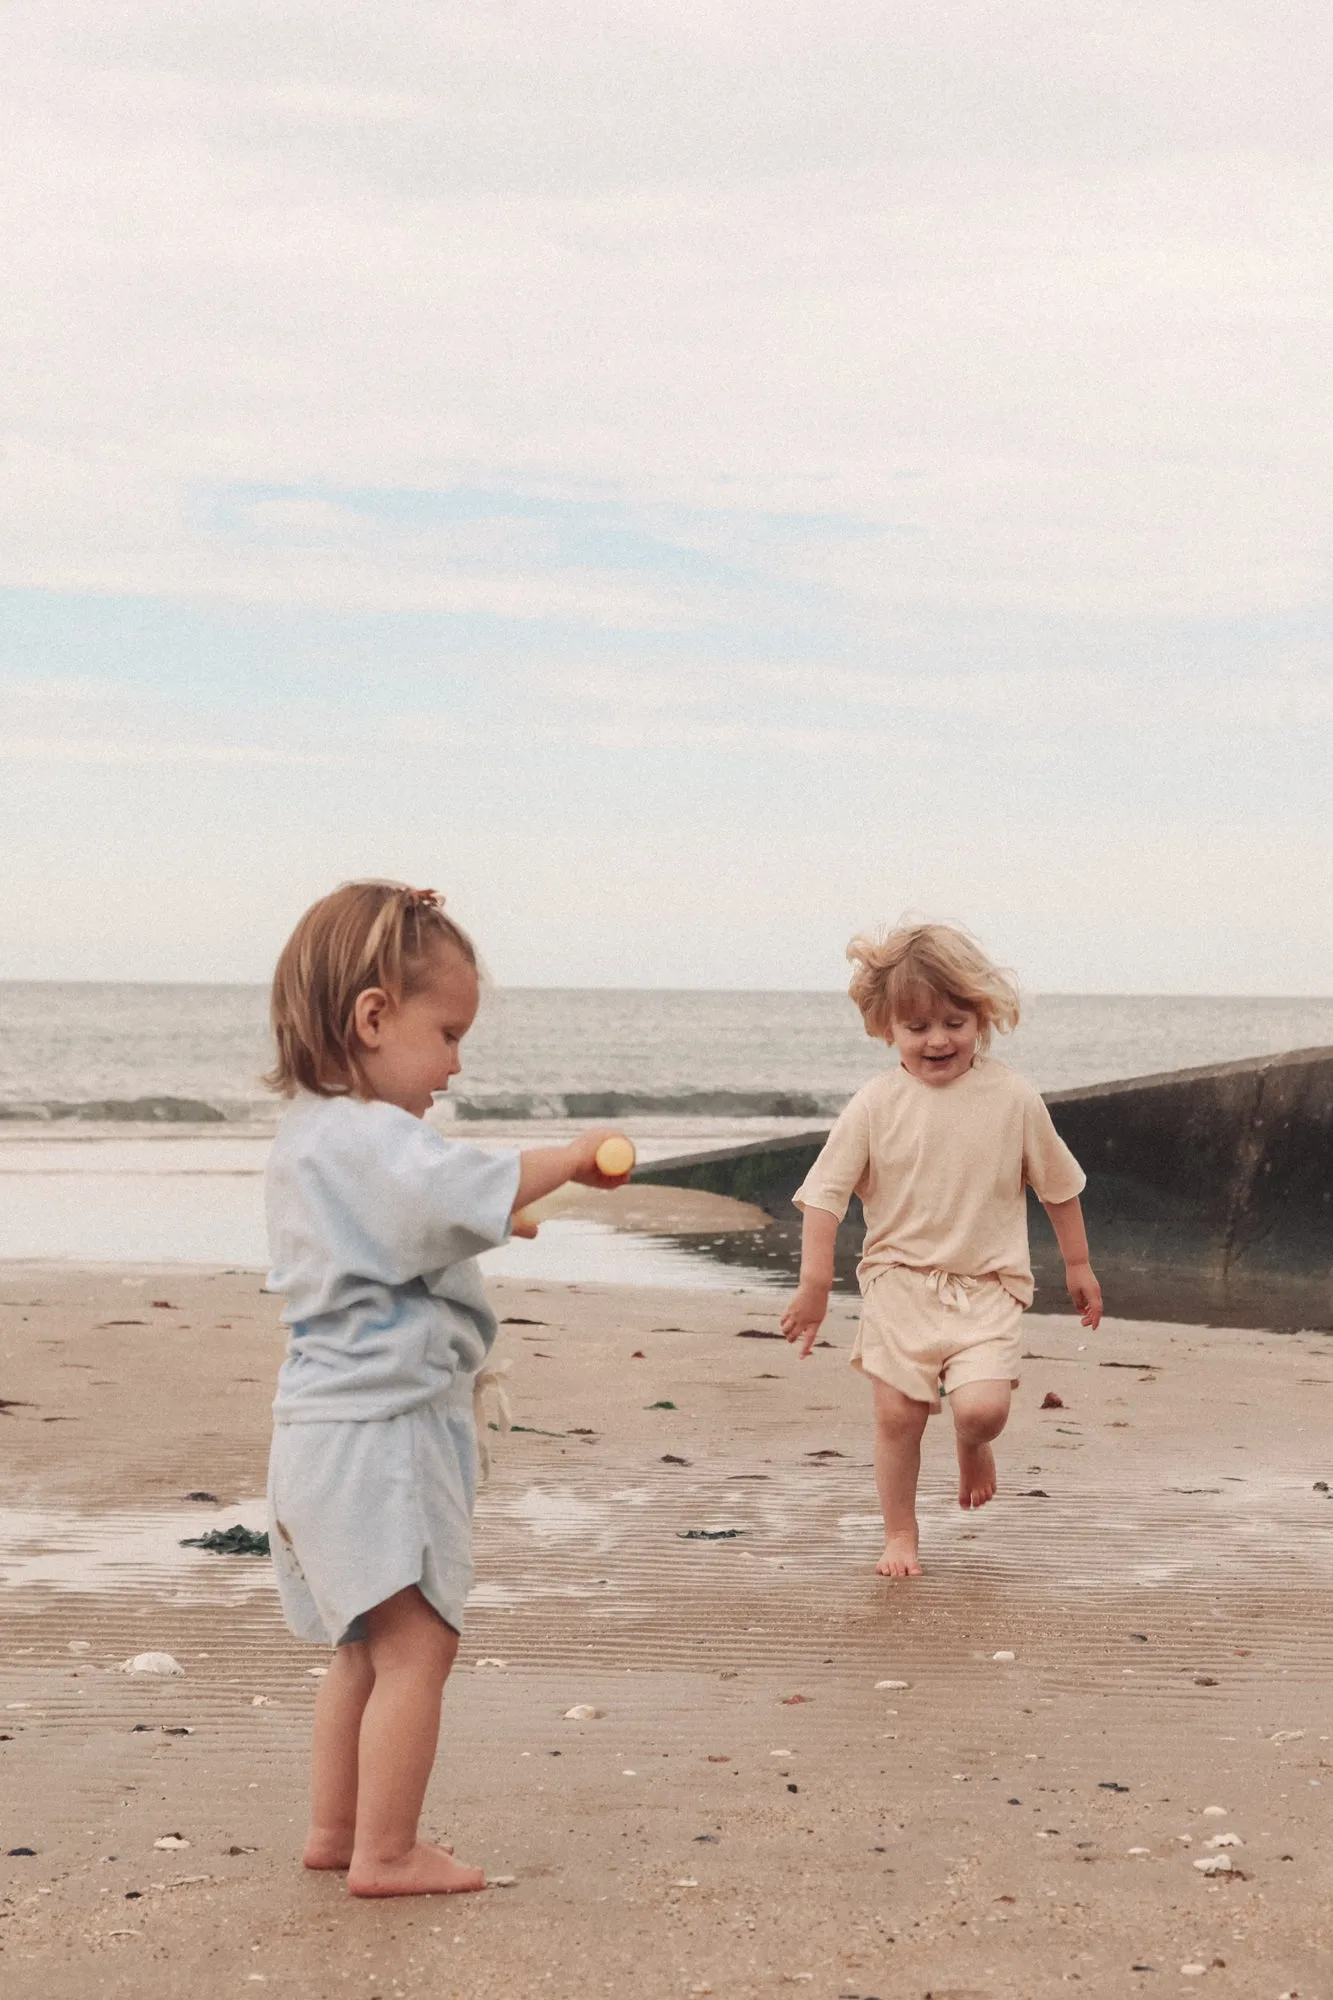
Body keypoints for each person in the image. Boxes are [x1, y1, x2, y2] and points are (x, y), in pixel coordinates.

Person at [262, 880, 628, 1896]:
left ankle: (337, 1829)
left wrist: (486, 1222)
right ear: (373, 1017)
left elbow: (379, 1232)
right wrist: (568, 1161)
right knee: (420, 1643)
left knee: (362, 1648)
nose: (457, 1063)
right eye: (449, 1032)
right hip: (386, 1432)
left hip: (312, 1431)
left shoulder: (307, 1134)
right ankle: (387, 1850)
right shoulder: (380, 1135)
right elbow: (449, 1181)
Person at [780, 921, 1102, 1579]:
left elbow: (1058, 1186)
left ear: (980, 1018)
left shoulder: (1010, 1096)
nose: (937, 1040)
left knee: (982, 1409)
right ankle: (900, 1533)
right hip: (898, 1282)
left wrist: (1077, 1265)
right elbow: (823, 1196)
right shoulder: (875, 1104)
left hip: (986, 1284)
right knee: (897, 1416)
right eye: (917, 1026)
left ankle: (970, 1442)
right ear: (886, 1029)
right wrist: (814, 1284)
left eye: (954, 1022)